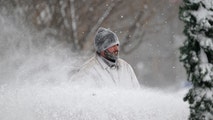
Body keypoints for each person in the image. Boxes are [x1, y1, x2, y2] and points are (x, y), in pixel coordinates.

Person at [71, 27, 140, 88]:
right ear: (102, 49)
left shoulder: (126, 67)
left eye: (117, 45)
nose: (116, 48)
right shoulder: (88, 71)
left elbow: (137, 93)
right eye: (112, 46)